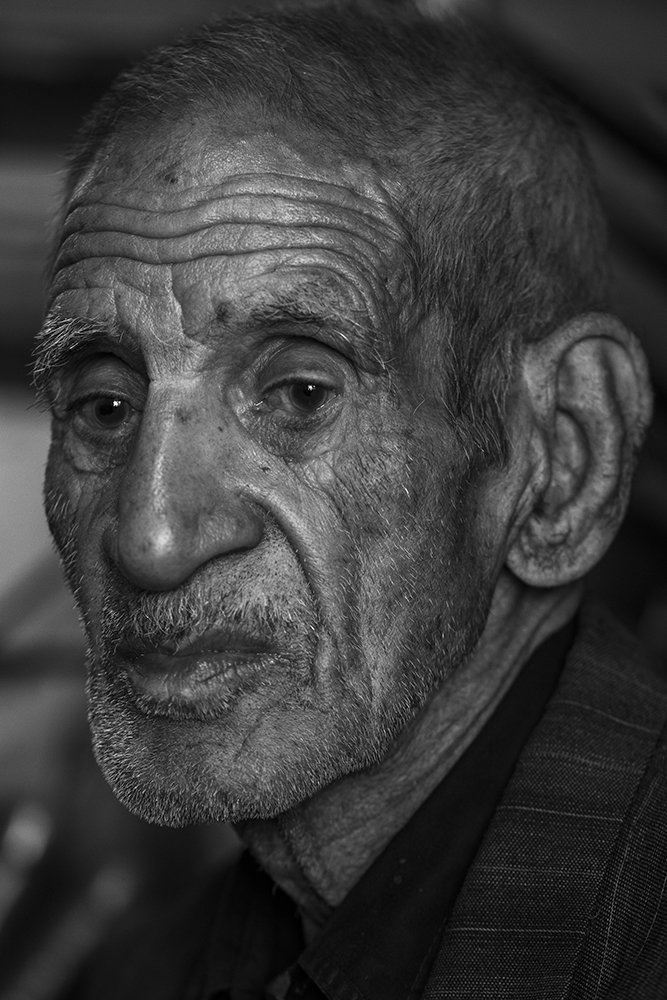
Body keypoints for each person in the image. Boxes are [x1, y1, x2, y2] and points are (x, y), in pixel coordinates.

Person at [32, 2, 667, 996]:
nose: (150, 538)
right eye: (105, 406)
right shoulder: (137, 972)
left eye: (298, 395)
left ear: (560, 461)